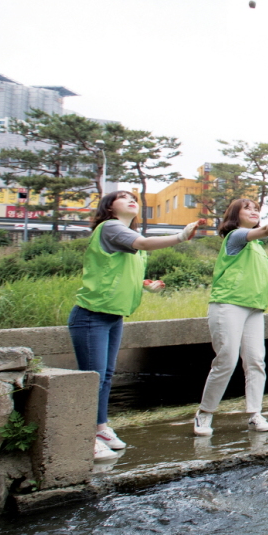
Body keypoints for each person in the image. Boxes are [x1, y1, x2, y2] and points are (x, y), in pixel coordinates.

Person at [68, 190, 199, 462]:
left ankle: (100, 428)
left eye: (134, 198)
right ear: (109, 206)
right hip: (91, 315)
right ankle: (83, 436)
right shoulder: (111, 226)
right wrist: (180, 236)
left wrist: (144, 285)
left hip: (112, 315)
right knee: (92, 379)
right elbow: (144, 243)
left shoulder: (122, 234)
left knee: (104, 377)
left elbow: (113, 271)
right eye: (123, 197)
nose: (131, 200)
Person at [193, 199, 268, 437]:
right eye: (248, 208)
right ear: (235, 215)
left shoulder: (257, 248)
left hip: (254, 308)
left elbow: (265, 278)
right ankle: (204, 413)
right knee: (226, 360)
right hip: (228, 305)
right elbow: (265, 231)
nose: (254, 212)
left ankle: (255, 414)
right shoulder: (235, 237)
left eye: (256, 209)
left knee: (256, 361)